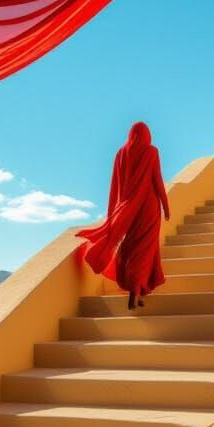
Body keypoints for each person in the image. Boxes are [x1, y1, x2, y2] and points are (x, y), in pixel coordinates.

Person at [77, 122, 170, 310]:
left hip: (129, 207)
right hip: (149, 206)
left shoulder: (121, 153)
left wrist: (117, 211)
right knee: (145, 248)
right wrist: (166, 207)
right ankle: (136, 290)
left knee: (132, 246)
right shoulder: (151, 151)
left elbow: (116, 184)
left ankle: (138, 291)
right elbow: (157, 179)